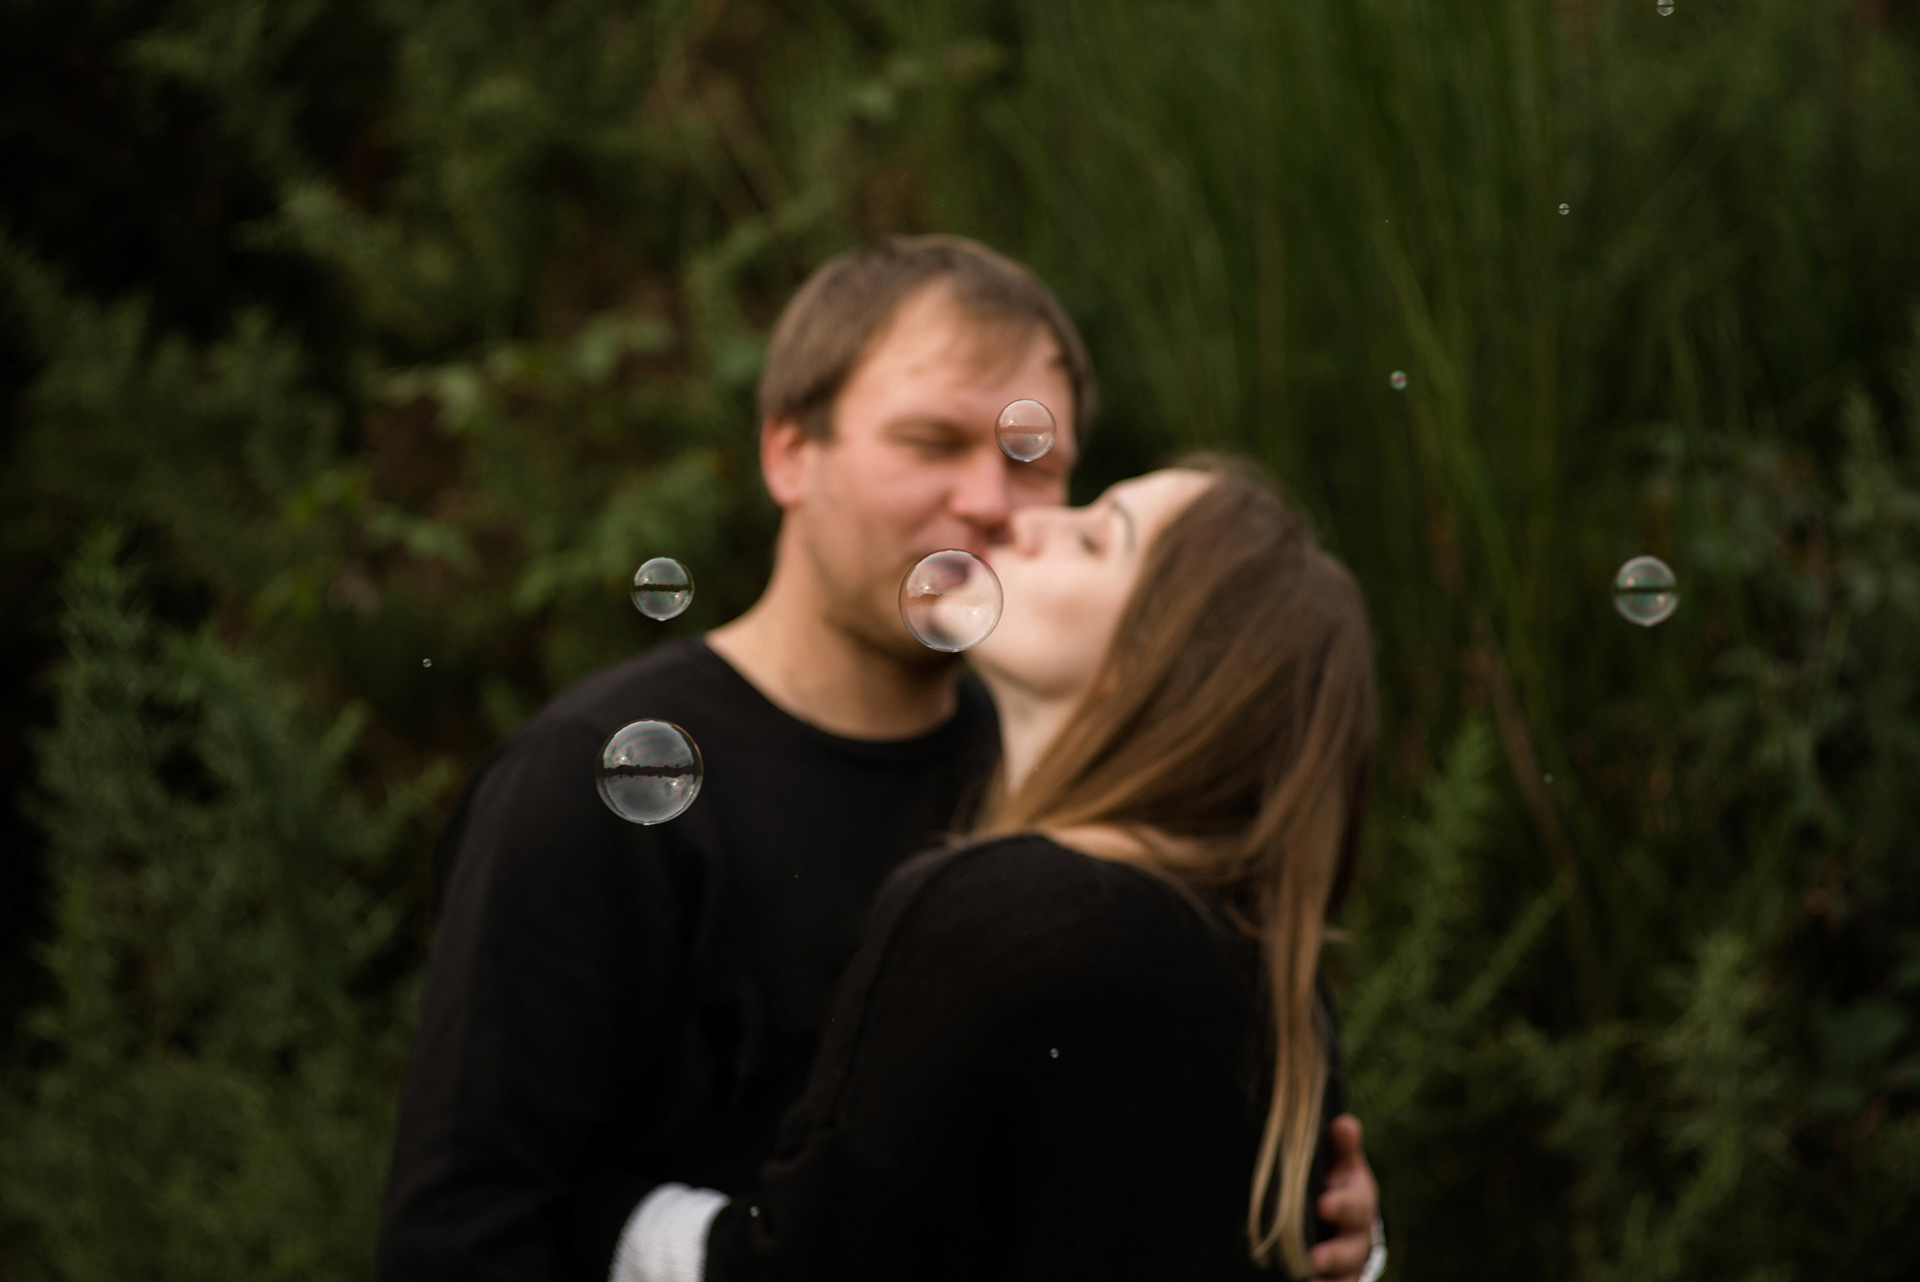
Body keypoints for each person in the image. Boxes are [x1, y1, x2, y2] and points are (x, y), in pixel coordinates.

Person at [376, 238, 1383, 1282]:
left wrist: (1328, 1236)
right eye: (933, 441)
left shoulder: (1110, 789)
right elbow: (461, 1230)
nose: (992, 501)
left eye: (1032, 459)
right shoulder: (590, 783)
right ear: (788, 453)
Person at [640, 460, 1386, 1281]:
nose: (1022, 523)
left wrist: (621, 1219)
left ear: (1158, 663)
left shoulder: (996, 917)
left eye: (1094, 539)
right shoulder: (1279, 974)